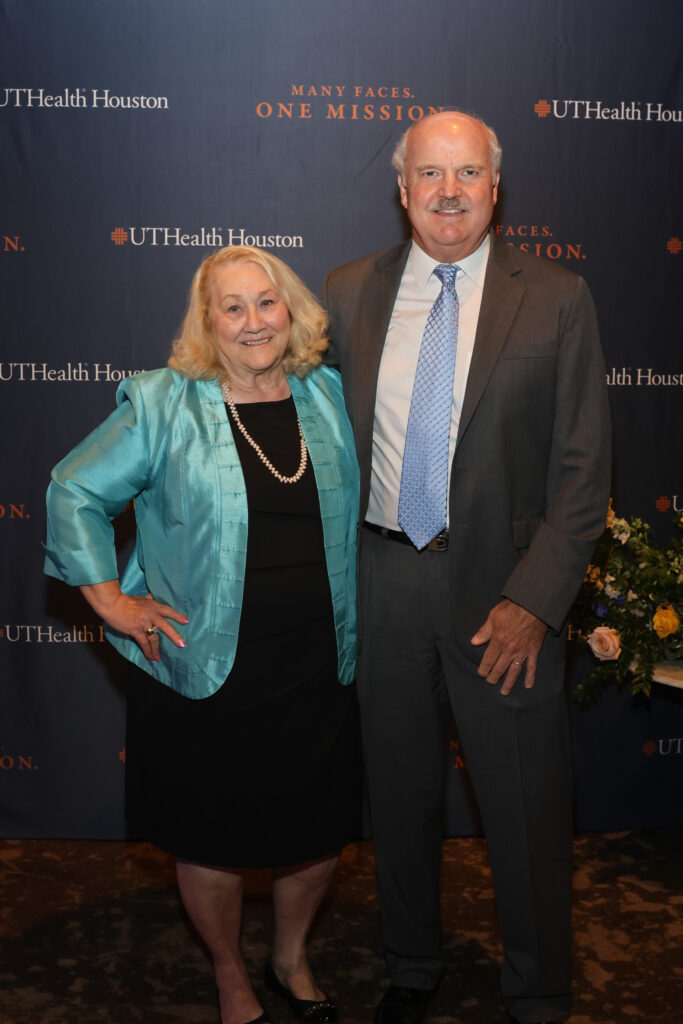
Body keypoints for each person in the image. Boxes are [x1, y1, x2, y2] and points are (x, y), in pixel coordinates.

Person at [323, 111, 611, 1024]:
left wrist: (535, 601)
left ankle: (539, 993)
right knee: (398, 795)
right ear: (401, 189)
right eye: (431, 174)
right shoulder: (346, 291)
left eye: (469, 173)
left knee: (524, 808)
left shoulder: (558, 297)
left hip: (503, 594)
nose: (449, 191)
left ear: (496, 187)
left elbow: (583, 471)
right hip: (385, 582)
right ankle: (409, 964)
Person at [44, 245, 361, 1024]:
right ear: (207, 320)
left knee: (317, 832)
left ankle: (289, 956)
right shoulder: (161, 403)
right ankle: (229, 973)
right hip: (202, 666)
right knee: (209, 836)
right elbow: (72, 488)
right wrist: (111, 601)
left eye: (267, 302)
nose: (254, 321)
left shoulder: (326, 392)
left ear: (292, 312)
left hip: (318, 660)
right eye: (233, 306)